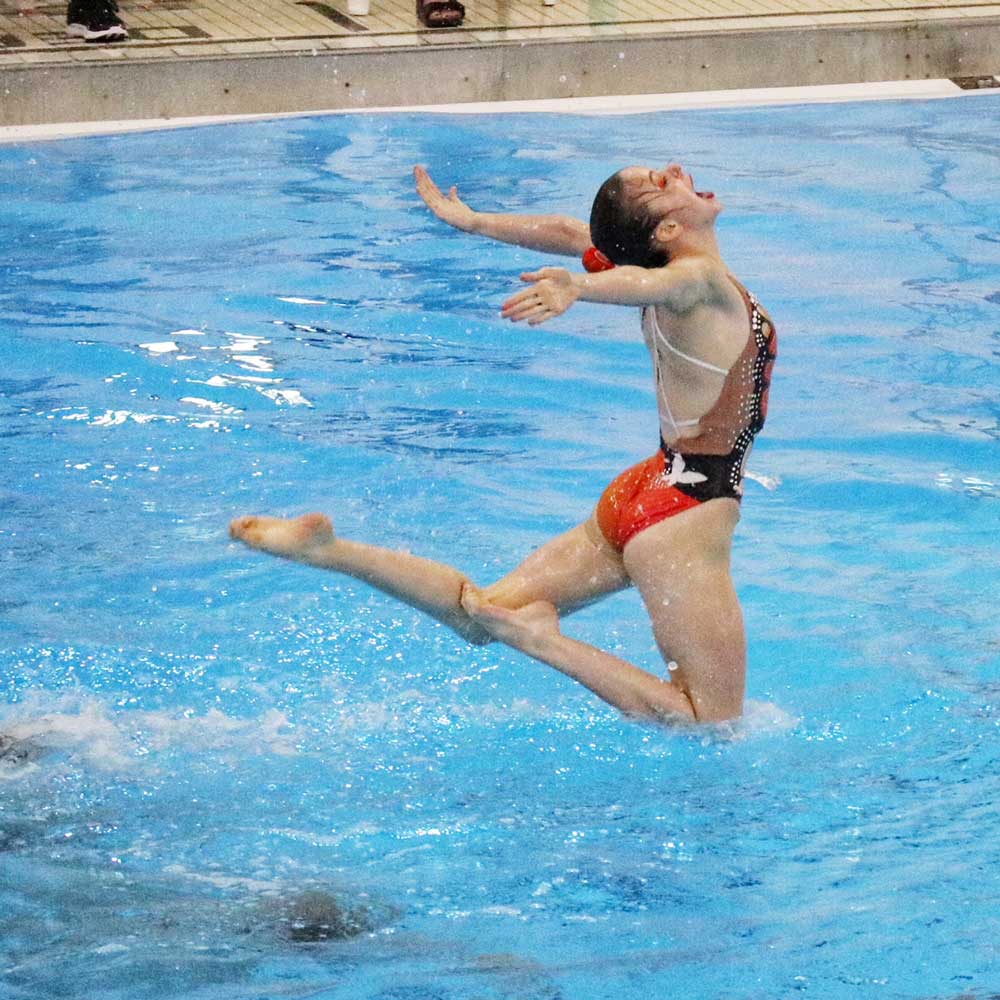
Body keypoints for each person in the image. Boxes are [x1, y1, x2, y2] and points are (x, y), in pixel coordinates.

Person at [229, 162, 776, 726]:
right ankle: (542, 641)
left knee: (480, 613)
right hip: (688, 507)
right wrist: (581, 287)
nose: (676, 171)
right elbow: (656, 283)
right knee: (709, 722)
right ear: (664, 233)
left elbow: (571, 234)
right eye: (659, 184)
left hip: (645, 489)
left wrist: (476, 222)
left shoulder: (654, 265)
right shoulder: (695, 280)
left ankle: (328, 551)